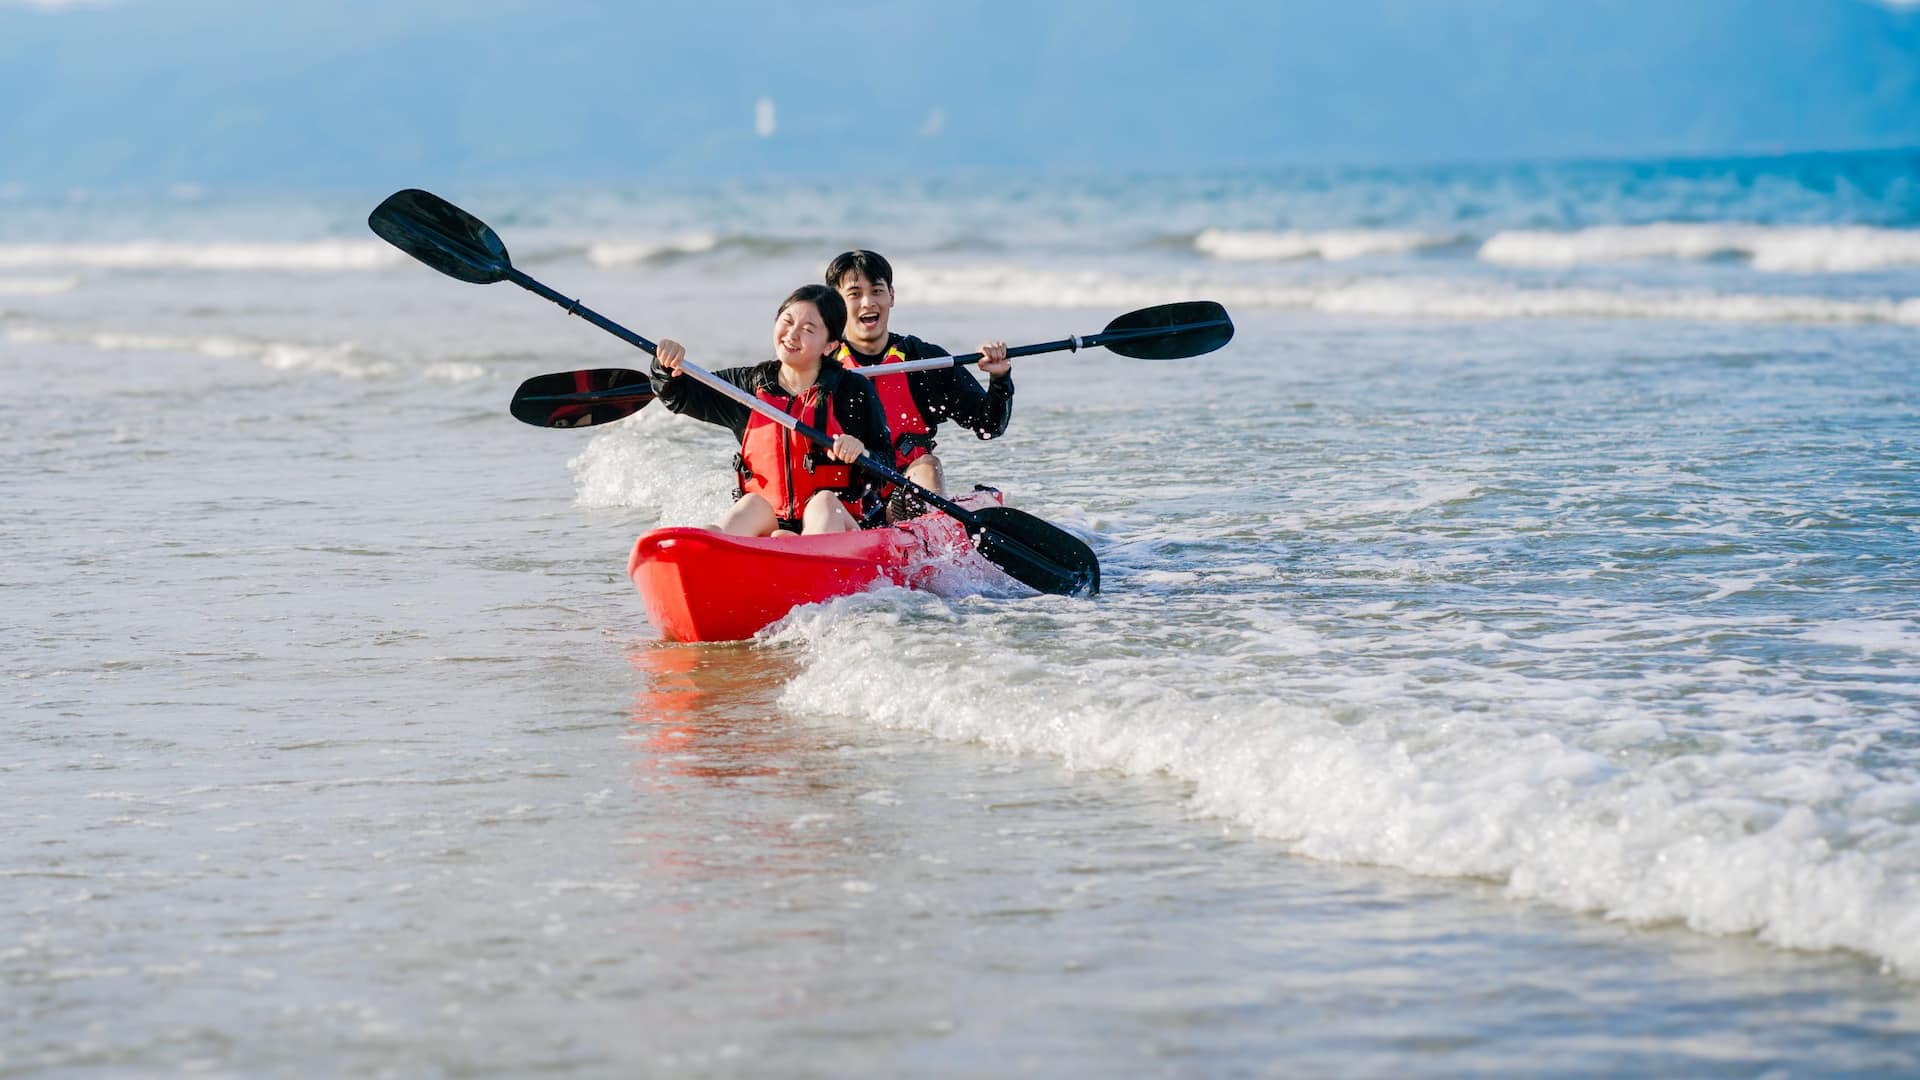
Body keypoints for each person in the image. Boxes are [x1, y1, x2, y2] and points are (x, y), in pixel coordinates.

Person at [650, 285, 891, 537]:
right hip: (769, 528)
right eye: (787, 321)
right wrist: (664, 367)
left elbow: (887, 465)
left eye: (808, 329)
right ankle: (712, 543)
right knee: (752, 504)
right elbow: (679, 395)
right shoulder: (746, 387)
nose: (792, 334)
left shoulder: (852, 391)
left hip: (840, 528)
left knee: (825, 502)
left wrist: (862, 453)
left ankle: (800, 551)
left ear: (830, 345)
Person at [825, 250, 1012, 521]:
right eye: (854, 294)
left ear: (891, 296)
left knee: (928, 465)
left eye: (877, 291)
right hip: (847, 497)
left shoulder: (924, 361)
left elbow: (989, 425)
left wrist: (999, 379)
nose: (868, 302)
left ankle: (918, 529)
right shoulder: (822, 366)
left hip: (911, 489)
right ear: (837, 304)